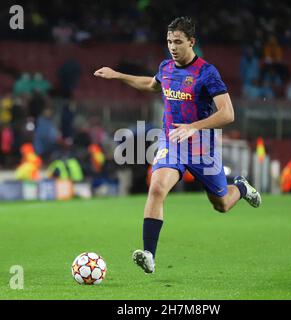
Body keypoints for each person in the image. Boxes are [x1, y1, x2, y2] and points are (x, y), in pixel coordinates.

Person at [94, 17, 261, 274]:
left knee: (222, 204)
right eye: (169, 41)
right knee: (157, 188)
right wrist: (117, 75)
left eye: (178, 42)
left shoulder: (207, 73)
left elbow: (228, 114)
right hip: (171, 143)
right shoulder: (166, 67)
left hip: (202, 149)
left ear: (192, 42)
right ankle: (149, 254)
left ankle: (240, 186)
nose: (172, 46)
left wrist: (193, 126)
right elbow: (151, 85)